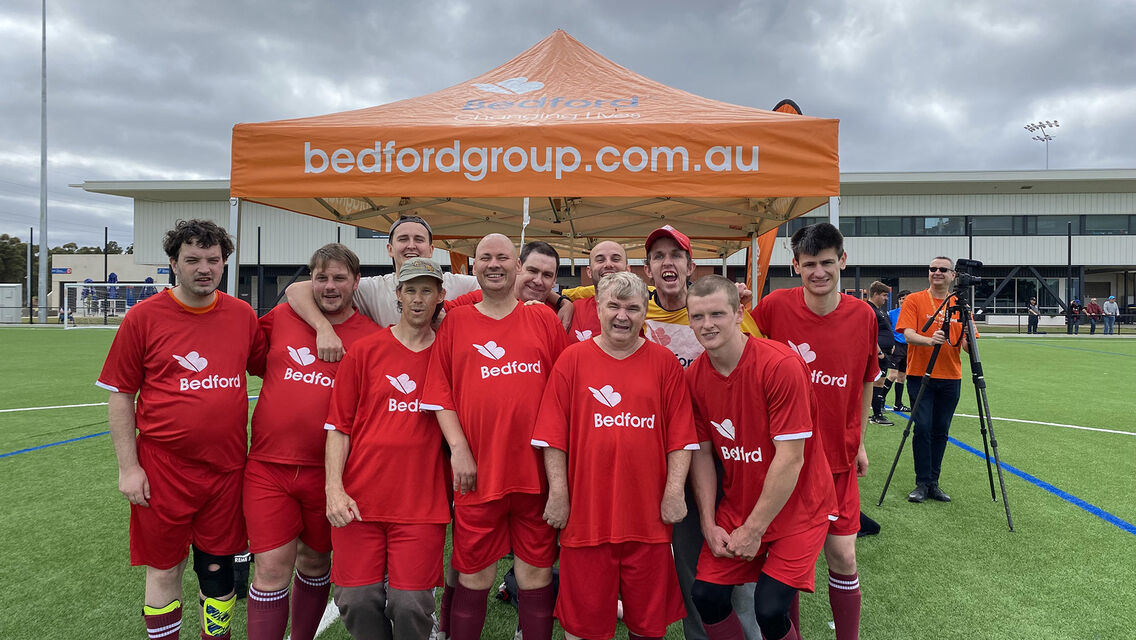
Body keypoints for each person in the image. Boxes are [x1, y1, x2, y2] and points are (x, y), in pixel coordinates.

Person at [97, 219, 264, 640]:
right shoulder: (143, 317)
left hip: (226, 471)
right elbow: (120, 395)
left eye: (213, 259)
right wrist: (128, 468)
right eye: (192, 259)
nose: (204, 268)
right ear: (173, 263)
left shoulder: (242, 315)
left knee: (218, 565)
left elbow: (273, 368)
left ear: (225, 263)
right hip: (162, 469)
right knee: (164, 567)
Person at [532, 271, 696, 639]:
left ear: (644, 314)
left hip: (649, 521)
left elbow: (681, 438)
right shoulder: (571, 361)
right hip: (587, 519)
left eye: (633, 308)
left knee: (648, 625)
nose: (623, 316)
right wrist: (559, 495)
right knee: (584, 625)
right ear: (599, 308)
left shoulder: (665, 363)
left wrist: (673, 494)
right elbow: (552, 438)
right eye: (614, 306)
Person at [421, 234, 568, 640]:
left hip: (535, 474)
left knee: (535, 573)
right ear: (474, 267)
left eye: (503, 257)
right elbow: (440, 395)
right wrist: (460, 450)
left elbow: (563, 394)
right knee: (474, 572)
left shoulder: (542, 320)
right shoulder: (456, 323)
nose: (494, 264)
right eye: (485, 257)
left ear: (517, 266)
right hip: (478, 473)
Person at [685, 275, 838, 640]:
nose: (707, 325)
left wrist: (753, 530)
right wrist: (708, 522)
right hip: (740, 503)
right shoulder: (694, 377)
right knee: (706, 596)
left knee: (769, 609)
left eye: (717, 314)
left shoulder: (779, 365)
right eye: (698, 317)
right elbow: (703, 454)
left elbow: (790, 459)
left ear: (739, 313)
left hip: (799, 506)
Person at [243, 244, 378, 640]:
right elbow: (249, 363)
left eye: (339, 278)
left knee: (317, 562)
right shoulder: (282, 318)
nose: (330, 286)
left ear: (356, 282)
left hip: (331, 474)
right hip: (269, 466)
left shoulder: (371, 337)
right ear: (310, 281)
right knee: (270, 567)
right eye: (321, 278)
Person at [751, 223, 878, 640]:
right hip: (791, 463)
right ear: (795, 266)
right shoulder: (773, 308)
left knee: (843, 556)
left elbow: (863, 379)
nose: (818, 272)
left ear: (843, 261)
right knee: (789, 565)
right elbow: (746, 353)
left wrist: (858, 443)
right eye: (809, 264)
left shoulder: (863, 315)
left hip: (837, 459)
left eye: (827, 262)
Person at [323, 257, 452, 640]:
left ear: (440, 296)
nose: (417, 298)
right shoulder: (365, 352)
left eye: (426, 290)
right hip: (360, 503)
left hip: (421, 505)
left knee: (410, 604)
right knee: (357, 599)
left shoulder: (449, 354)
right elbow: (338, 427)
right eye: (410, 289)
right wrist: (334, 488)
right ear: (397, 295)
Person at [285, 215, 480, 360]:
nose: (411, 245)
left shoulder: (458, 283)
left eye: (419, 240)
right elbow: (297, 290)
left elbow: (505, 290)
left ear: (430, 250)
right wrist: (324, 328)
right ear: (390, 249)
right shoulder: (373, 287)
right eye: (403, 239)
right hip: (398, 378)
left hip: (444, 376)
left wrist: (452, 324)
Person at [897, 257, 971, 504]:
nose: (937, 272)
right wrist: (930, 340)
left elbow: (968, 347)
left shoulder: (960, 304)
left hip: (951, 377)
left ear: (953, 275)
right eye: (933, 269)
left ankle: (933, 483)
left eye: (943, 269)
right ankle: (921, 482)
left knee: (941, 430)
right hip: (921, 374)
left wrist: (970, 336)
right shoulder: (914, 300)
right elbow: (907, 334)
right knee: (923, 428)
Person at [565, 240, 629, 342]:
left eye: (616, 259)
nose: (608, 264)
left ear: (628, 270)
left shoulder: (644, 309)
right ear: (589, 272)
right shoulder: (573, 310)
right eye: (600, 260)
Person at [867, 281, 895, 426]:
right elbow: (868, 334)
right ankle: (877, 415)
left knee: (879, 381)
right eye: (884, 295)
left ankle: (876, 413)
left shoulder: (880, 310)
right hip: (878, 353)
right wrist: (879, 353)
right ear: (876, 294)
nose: (886, 299)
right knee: (878, 381)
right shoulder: (869, 309)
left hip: (885, 351)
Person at [887, 290, 912, 412]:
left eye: (906, 298)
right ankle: (880, 401)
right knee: (892, 375)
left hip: (908, 347)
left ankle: (898, 404)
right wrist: (891, 344)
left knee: (902, 377)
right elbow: (887, 330)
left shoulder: (913, 314)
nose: (903, 301)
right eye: (901, 298)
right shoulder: (892, 314)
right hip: (896, 346)